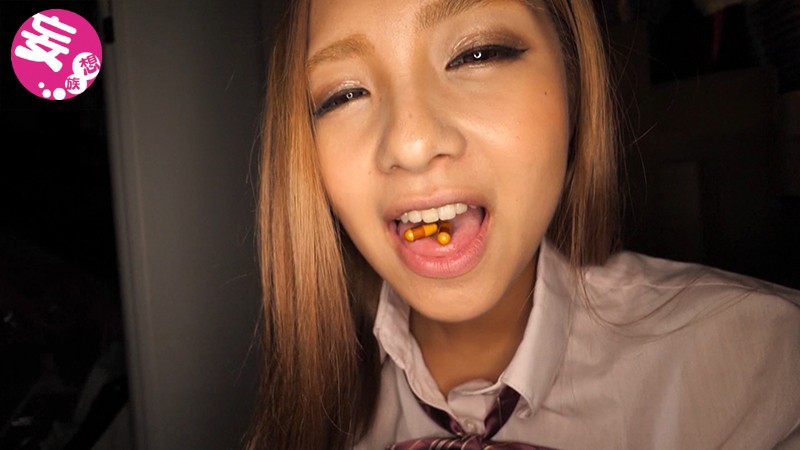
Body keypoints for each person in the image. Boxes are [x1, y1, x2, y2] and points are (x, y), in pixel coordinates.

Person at [246, 0, 800, 448]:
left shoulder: (770, 369)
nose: (411, 144)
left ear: (572, 76)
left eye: (477, 53)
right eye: (344, 94)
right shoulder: (307, 416)